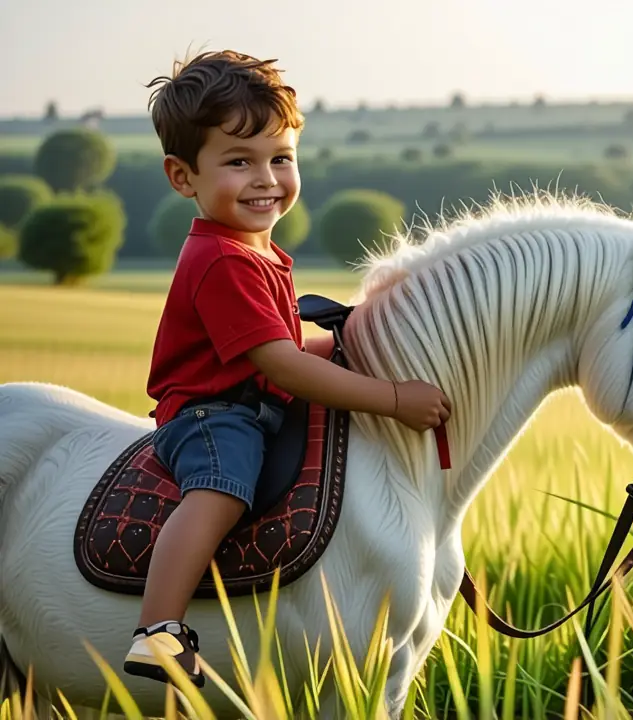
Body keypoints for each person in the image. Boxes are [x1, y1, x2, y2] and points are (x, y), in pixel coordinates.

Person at [123, 50, 451, 687]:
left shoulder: (257, 249)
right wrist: (389, 396)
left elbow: (287, 348)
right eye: (238, 161)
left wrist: (362, 337)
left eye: (281, 158)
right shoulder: (225, 260)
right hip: (213, 411)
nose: (265, 178)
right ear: (182, 176)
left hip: (255, 394)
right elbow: (283, 364)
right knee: (223, 486)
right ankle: (158, 629)